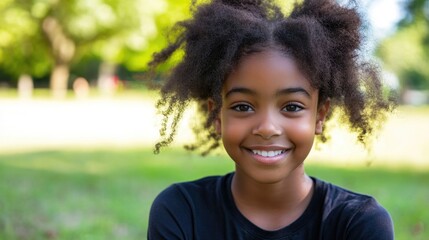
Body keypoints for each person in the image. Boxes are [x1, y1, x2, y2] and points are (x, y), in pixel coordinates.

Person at [147, 0, 395, 239]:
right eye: (243, 106)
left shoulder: (358, 224)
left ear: (320, 115)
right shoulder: (181, 212)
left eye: (292, 106)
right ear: (217, 114)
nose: (267, 128)